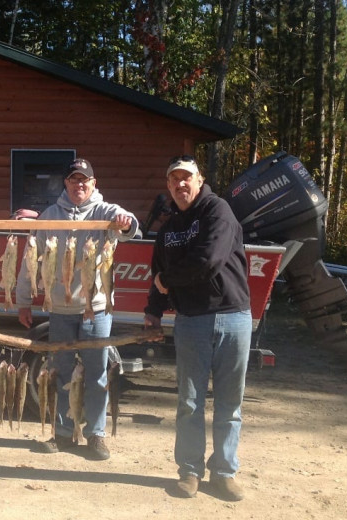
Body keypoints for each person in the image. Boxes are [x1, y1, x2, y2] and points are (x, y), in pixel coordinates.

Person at [143, 155, 251, 502]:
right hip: (190, 321)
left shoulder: (218, 211)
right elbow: (156, 273)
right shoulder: (169, 229)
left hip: (233, 317)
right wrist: (153, 313)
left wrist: (166, 281)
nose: (180, 185)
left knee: (229, 403)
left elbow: (208, 261)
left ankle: (224, 473)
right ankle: (189, 471)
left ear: (199, 179)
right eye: (173, 180)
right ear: (168, 187)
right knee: (189, 403)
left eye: (186, 178)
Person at [15, 158, 138, 461]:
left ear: (94, 184)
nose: (79, 184)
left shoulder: (104, 211)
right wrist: (23, 300)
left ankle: (96, 435)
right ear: (66, 184)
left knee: (97, 373)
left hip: (97, 309)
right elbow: (30, 261)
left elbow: (129, 226)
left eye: (85, 180)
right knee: (61, 371)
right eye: (73, 179)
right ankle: (63, 431)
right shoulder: (50, 216)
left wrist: (126, 221)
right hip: (60, 308)